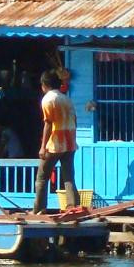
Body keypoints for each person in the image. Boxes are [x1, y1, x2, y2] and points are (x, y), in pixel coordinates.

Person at [33, 69, 79, 213]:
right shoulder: (66, 99)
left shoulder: (48, 99)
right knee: (68, 177)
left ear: (44, 85)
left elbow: (48, 124)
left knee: (41, 177)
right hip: (70, 141)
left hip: (55, 143)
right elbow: (75, 120)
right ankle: (73, 207)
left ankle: (39, 209)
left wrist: (43, 147)